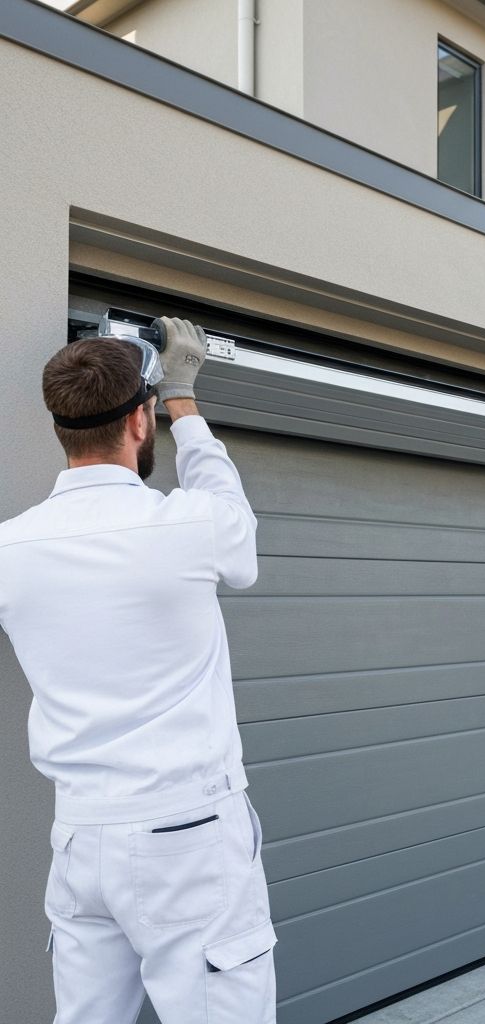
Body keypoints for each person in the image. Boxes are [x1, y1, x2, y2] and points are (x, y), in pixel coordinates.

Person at [0, 319, 277, 1022]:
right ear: (139, 421)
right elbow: (237, 532)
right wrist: (184, 398)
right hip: (188, 836)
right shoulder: (187, 524)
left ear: (61, 430)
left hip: (80, 837)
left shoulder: (9, 549)